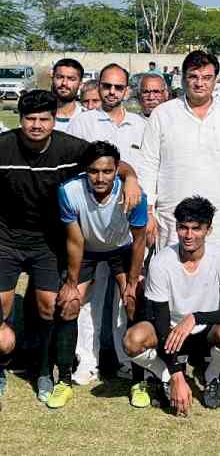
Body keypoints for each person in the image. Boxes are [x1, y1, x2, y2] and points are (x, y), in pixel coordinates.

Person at [0, 90, 140, 403]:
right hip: (6, 239)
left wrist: (130, 179)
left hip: (49, 241)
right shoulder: (4, 146)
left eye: (44, 119)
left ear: (54, 120)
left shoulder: (71, 148)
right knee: (3, 306)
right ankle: (3, 364)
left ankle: (43, 372)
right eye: (30, 119)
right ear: (20, 119)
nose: (37, 125)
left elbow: (110, 162)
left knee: (52, 305)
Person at [123, 196, 220, 415]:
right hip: (169, 332)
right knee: (133, 340)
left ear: (208, 230)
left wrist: (196, 318)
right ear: (176, 227)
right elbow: (160, 322)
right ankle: (165, 377)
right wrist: (176, 375)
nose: (188, 235)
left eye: (196, 228)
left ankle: (212, 376)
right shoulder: (161, 261)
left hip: (205, 331)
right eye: (183, 228)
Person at [67, 64, 148, 384]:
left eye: (118, 87)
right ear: (98, 88)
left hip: (126, 228)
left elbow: (148, 172)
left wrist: (147, 210)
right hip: (90, 227)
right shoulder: (82, 122)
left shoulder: (141, 125)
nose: (112, 92)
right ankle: (88, 361)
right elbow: (75, 170)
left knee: (124, 298)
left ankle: (126, 360)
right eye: (106, 86)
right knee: (87, 300)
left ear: (127, 91)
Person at [56, 141, 148, 408]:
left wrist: (131, 283)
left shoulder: (133, 194)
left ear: (117, 170)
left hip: (121, 249)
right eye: (94, 171)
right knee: (69, 304)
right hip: (87, 249)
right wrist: (72, 284)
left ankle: (137, 379)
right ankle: (64, 379)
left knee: (132, 302)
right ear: (86, 170)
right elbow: (74, 241)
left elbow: (139, 241)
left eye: (107, 171)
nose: (100, 177)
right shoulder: (69, 191)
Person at [141, 51, 220, 253]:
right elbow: (148, 165)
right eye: (193, 77)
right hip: (173, 220)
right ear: (183, 78)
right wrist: (148, 212)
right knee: (174, 278)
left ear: (216, 80)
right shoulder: (163, 114)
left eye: (207, 78)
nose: (199, 83)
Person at [51, 58, 85, 132]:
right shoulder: (39, 115)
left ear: (80, 84)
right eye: (59, 77)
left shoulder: (87, 117)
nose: (64, 83)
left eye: (71, 79)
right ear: (52, 79)